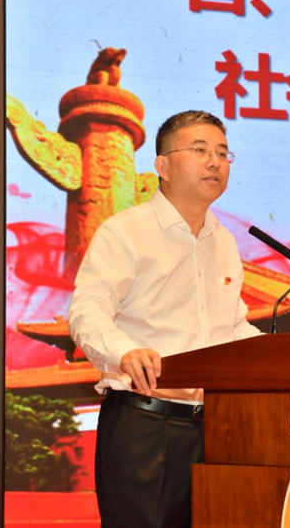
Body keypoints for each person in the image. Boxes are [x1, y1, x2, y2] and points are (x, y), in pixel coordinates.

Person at [68, 110, 262, 528]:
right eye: (200, 150)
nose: (215, 162)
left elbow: (231, 327)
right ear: (163, 165)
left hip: (216, 428)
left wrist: (277, 354)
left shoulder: (224, 242)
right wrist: (124, 352)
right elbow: (87, 310)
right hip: (144, 423)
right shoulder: (126, 231)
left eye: (223, 153)